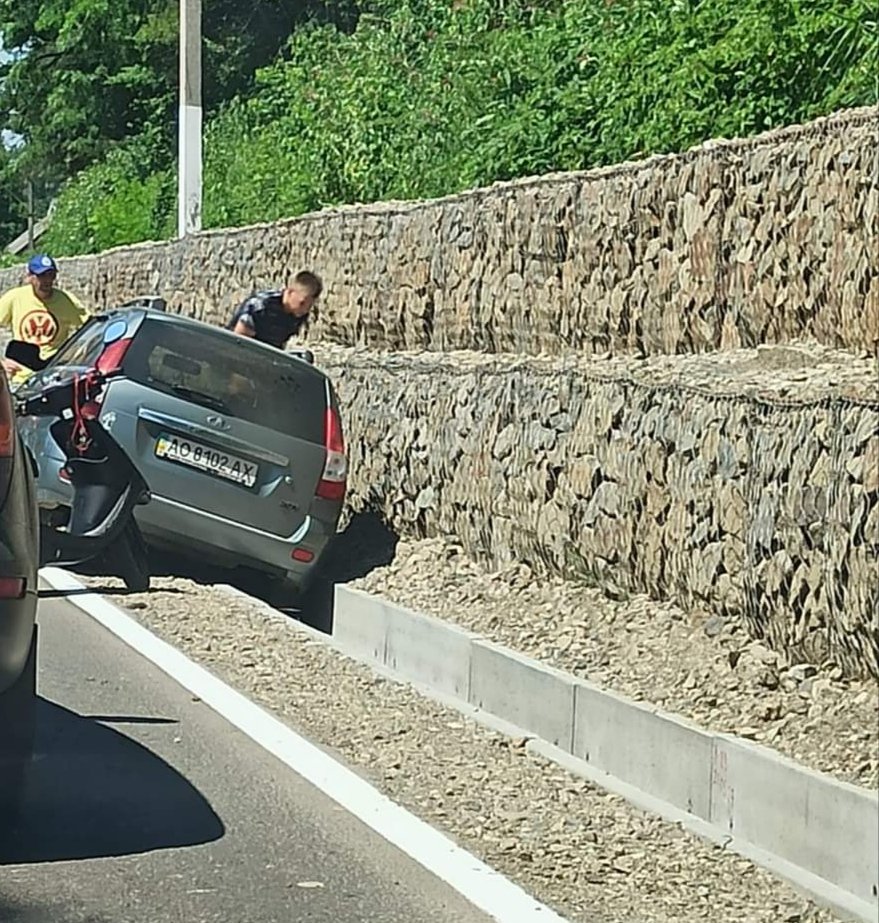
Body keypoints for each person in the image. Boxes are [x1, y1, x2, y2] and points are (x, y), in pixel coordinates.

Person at [0, 254, 88, 381]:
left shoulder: (65, 300)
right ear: (30, 277)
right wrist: (2, 363)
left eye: (51, 275)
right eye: (41, 276)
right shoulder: (15, 298)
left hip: (54, 374)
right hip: (21, 377)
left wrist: (79, 358)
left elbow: (92, 327)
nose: (47, 281)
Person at [226, 270, 323, 350]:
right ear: (289, 292)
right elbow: (238, 341)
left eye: (309, 306)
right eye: (302, 303)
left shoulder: (298, 314)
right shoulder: (261, 306)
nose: (305, 310)